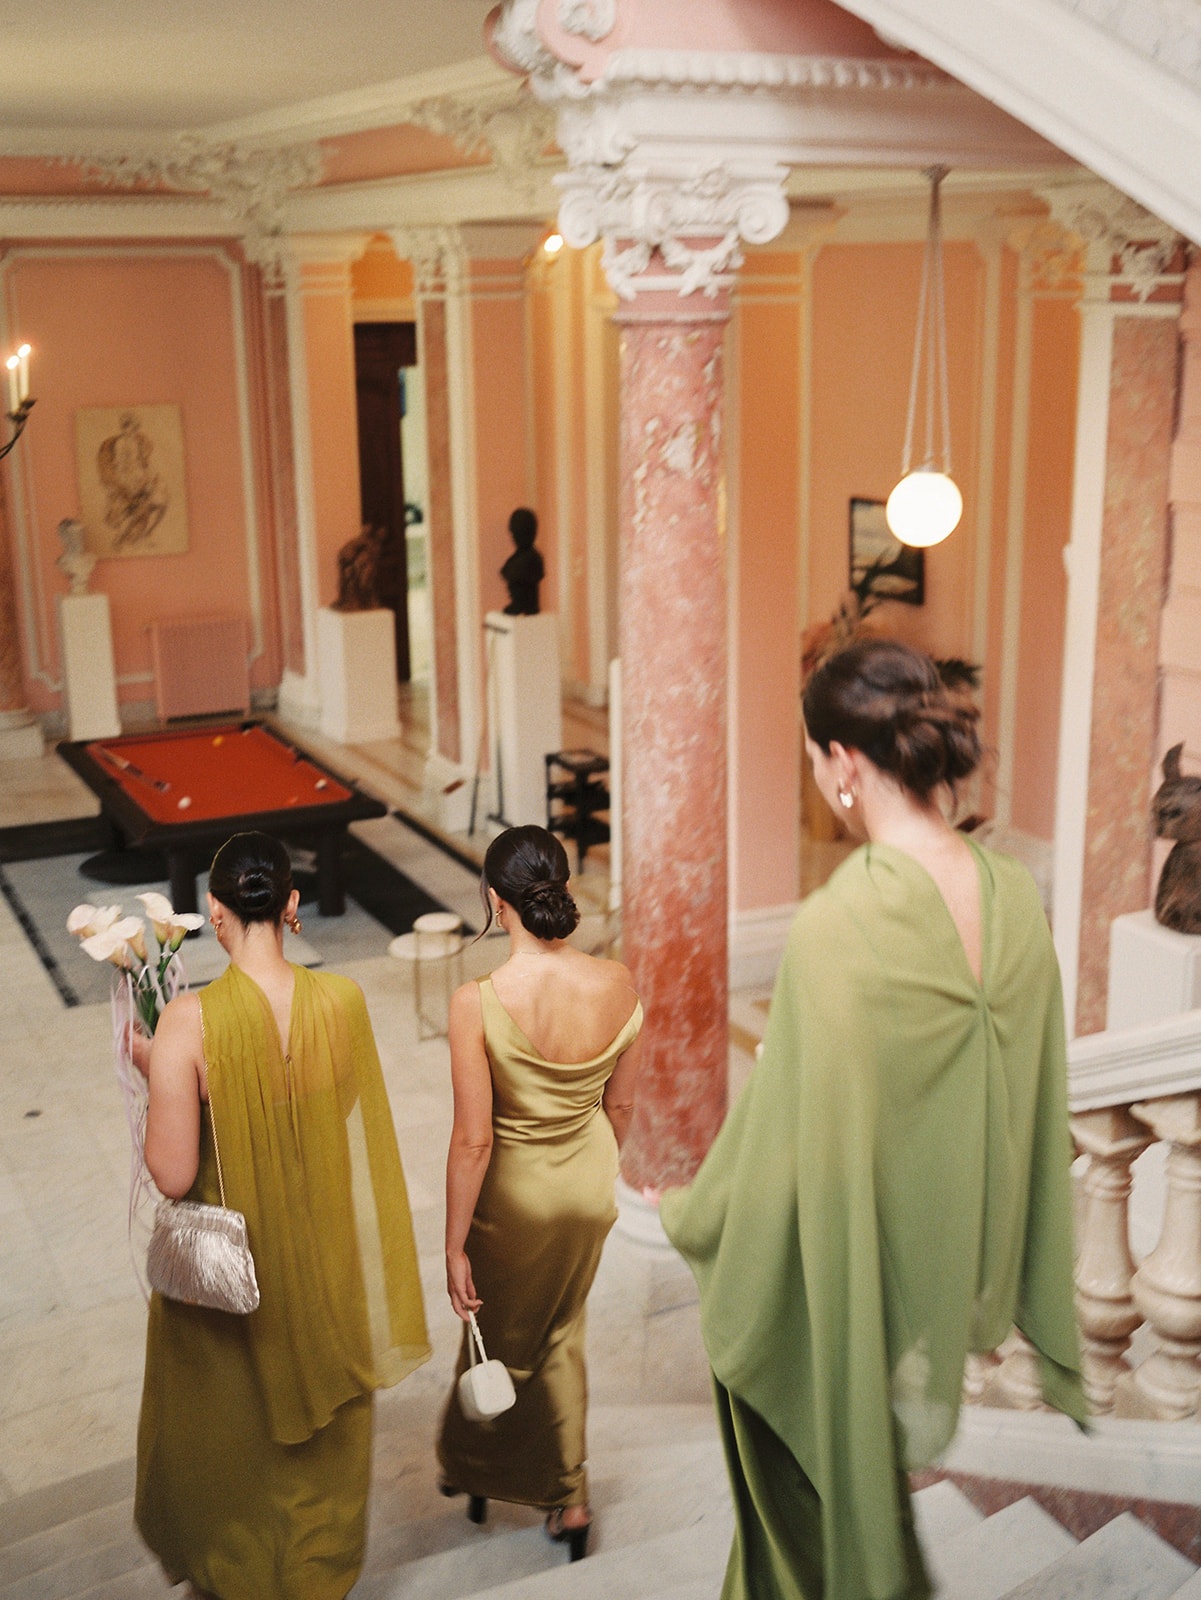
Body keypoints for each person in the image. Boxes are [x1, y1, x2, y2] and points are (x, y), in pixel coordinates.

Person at [661, 638, 1086, 1600]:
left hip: (847, 1263)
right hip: (938, 1239)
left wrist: (689, 1213)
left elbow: (779, 1150)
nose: (817, 780)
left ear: (844, 764)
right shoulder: (1013, 892)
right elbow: (1007, 1076)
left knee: (796, 1477)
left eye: (814, 762)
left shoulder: (837, 925)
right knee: (861, 1487)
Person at [131, 831, 430, 1600]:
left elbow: (173, 1173)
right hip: (321, 1239)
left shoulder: (187, 1024)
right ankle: (315, 1572)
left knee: (230, 1431)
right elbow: (339, 1104)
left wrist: (160, 1074)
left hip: (235, 1269)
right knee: (320, 1432)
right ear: (293, 906)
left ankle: (238, 1570)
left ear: (214, 911)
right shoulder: (344, 1000)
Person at [437, 824, 643, 1561]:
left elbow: (474, 1141)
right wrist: (588, 1170)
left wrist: (455, 1243)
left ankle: (545, 1484)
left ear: (497, 904)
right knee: (559, 1330)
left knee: (501, 1333)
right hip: (588, 1181)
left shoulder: (478, 999)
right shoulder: (617, 980)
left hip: (515, 1195)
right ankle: (545, 1490)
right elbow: (619, 1108)